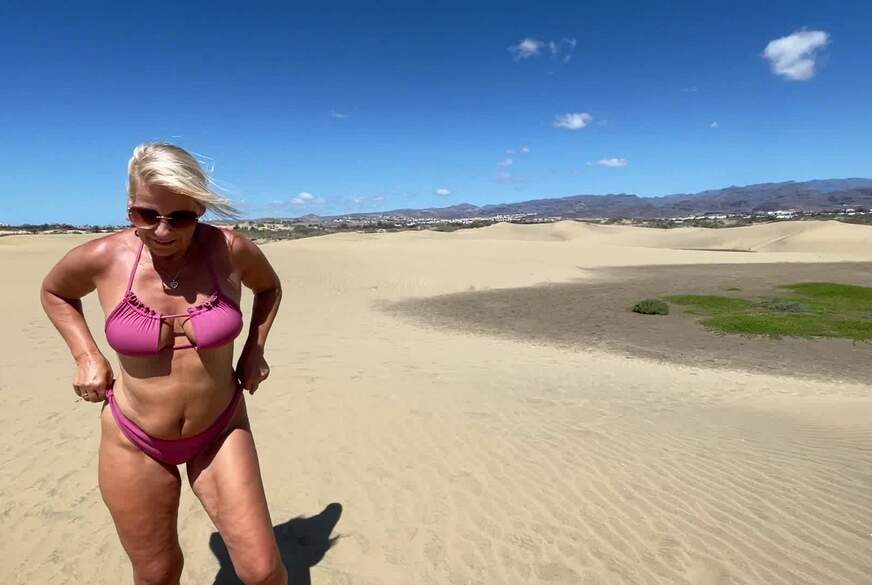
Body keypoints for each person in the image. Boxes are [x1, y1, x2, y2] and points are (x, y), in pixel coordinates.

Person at [40, 142, 288, 585]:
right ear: (129, 208)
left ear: (199, 209)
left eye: (180, 217)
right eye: (146, 215)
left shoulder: (230, 250)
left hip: (220, 428)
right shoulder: (103, 257)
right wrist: (86, 355)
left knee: (263, 571)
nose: (162, 230)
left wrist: (255, 350)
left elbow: (268, 288)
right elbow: (55, 292)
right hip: (135, 438)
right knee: (158, 573)